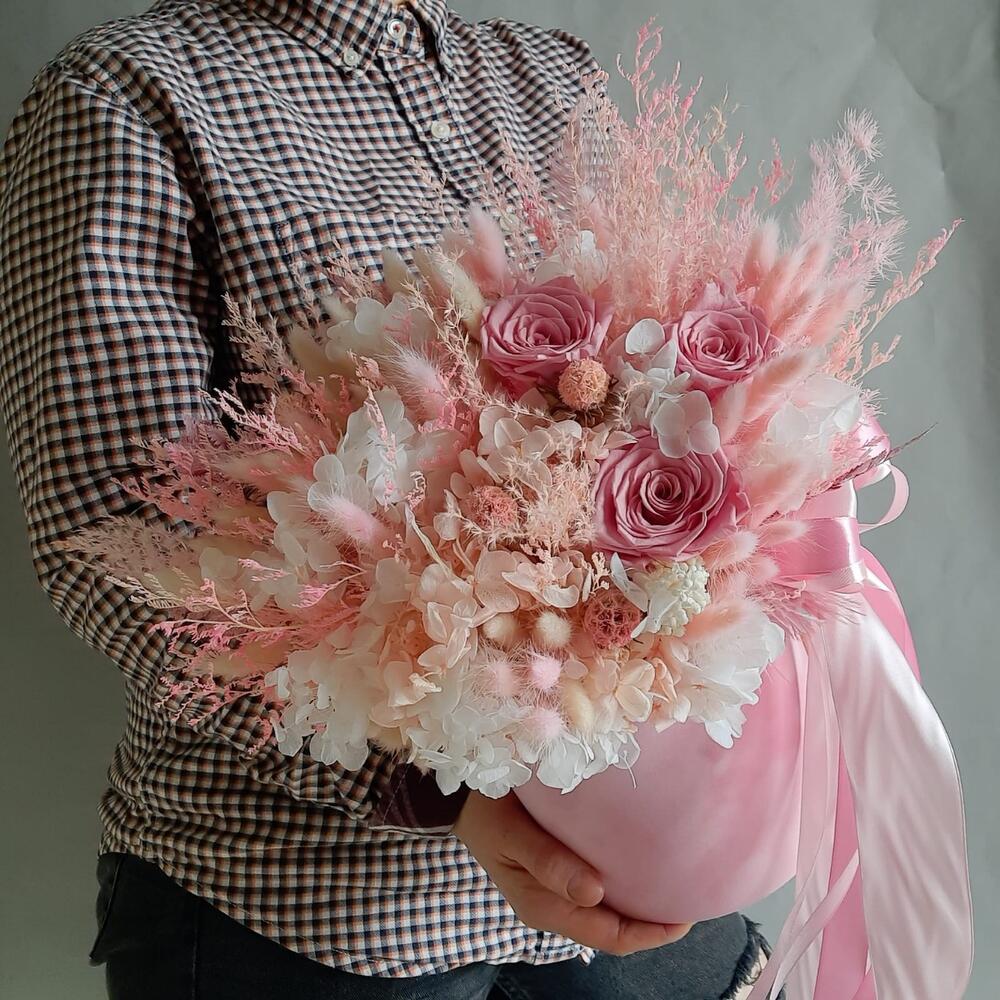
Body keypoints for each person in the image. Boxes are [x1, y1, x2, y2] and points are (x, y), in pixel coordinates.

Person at [0, 1, 775, 996]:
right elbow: (120, 536)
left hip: (626, 877)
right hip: (306, 912)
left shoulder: (551, 77)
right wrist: (430, 787)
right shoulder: (127, 96)